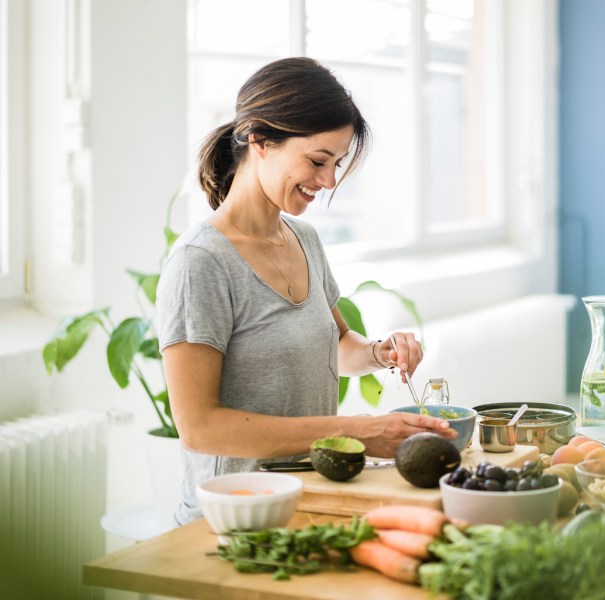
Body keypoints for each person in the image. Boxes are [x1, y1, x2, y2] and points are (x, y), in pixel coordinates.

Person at [155, 57, 455, 525]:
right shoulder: (201, 262)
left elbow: (337, 347)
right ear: (259, 139)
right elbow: (200, 428)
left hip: (308, 502)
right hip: (233, 520)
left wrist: (380, 352)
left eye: (336, 164)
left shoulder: (304, 239)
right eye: (318, 161)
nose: (329, 181)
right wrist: (356, 430)